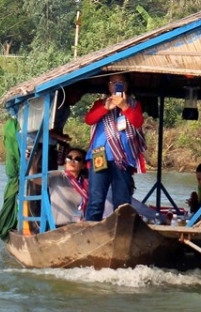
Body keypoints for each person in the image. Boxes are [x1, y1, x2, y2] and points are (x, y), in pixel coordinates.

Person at [84, 73, 146, 221]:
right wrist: (106, 108)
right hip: (100, 155)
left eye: (121, 82)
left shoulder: (134, 104)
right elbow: (89, 120)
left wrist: (124, 106)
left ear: (127, 85)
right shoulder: (100, 103)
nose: (117, 85)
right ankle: (90, 233)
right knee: (96, 200)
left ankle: (121, 234)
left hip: (122, 158)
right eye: (114, 82)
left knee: (122, 202)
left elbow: (138, 122)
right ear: (108, 85)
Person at [30, 148, 89, 227]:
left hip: (79, 225)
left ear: (83, 165)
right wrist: (31, 159)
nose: (72, 161)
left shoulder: (85, 183)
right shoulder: (57, 175)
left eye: (77, 159)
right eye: (69, 158)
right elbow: (34, 178)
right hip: (60, 228)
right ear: (65, 161)